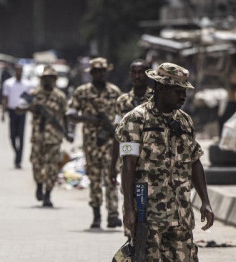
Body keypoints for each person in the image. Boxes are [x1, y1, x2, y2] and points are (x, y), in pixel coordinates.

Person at [116, 62, 214, 262]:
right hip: (148, 211)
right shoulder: (136, 119)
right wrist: (129, 208)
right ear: (160, 88)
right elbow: (127, 165)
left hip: (181, 212)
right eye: (176, 90)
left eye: (184, 90)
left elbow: (195, 161)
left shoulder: (185, 121)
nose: (182, 96)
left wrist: (205, 201)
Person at [67, 57, 122, 229]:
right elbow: (70, 113)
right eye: (96, 71)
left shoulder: (114, 92)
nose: (100, 74)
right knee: (95, 179)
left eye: (102, 71)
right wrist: (88, 118)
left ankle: (113, 215)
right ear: (91, 73)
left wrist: (112, 126)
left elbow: (122, 116)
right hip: (91, 144)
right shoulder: (82, 92)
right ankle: (97, 215)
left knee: (111, 177)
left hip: (110, 143)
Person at [25, 66, 70, 207]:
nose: (48, 81)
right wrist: (32, 108)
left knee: (52, 167)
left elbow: (66, 116)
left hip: (54, 138)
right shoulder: (34, 93)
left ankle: (48, 194)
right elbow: (20, 106)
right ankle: (39, 184)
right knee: (36, 164)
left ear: (55, 80)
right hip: (38, 136)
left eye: (50, 78)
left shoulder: (60, 97)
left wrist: (68, 132)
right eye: (45, 78)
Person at [110, 59, 153, 186]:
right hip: (128, 161)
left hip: (151, 162)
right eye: (134, 73)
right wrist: (113, 166)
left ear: (148, 74)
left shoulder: (156, 99)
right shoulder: (122, 101)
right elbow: (117, 134)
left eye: (141, 72)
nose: (137, 76)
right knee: (129, 201)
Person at [2, 64, 33, 169]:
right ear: (15, 71)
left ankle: (18, 159)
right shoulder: (8, 83)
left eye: (20, 71)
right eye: (17, 70)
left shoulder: (27, 84)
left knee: (21, 135)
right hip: (12, 111)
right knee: (12, 136)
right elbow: (5, 98)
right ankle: (17, 152)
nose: (19, 72)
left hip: (22, 112)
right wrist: (3, 113)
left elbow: (30, 100)